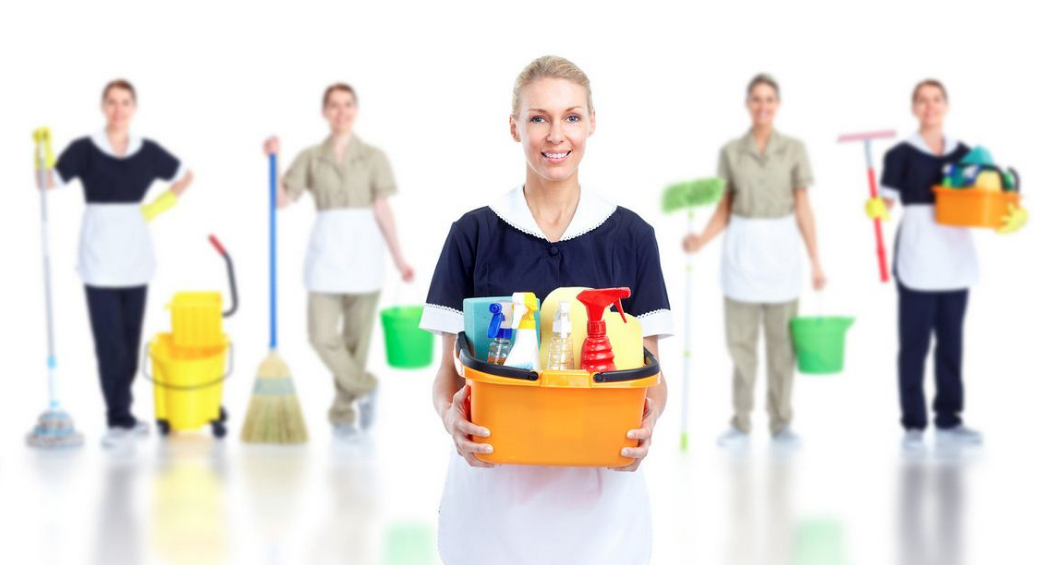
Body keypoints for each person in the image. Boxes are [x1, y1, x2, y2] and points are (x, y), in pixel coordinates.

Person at [419, 56, 673, 564]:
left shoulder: (632, 237)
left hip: (603, 516)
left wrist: (647, 425)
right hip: (492, 509)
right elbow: (448, 373)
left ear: (592, 122)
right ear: (515, 126)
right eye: (539, 118)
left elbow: (651, 377)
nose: (556, 135)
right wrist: (452, 421)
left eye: (571, 117)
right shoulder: (473, 234)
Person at [864, 79, 1019, 451]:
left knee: (951, 343)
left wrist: (1011, 215)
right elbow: (888, 202)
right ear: (913, 108)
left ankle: (949, 419)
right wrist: (877, 207)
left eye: (936, 99)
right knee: (913, 345)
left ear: (946, 106)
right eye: (922, 100)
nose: (930, 106)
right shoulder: (899, 154)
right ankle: (914, 423)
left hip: (954, 257)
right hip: (917, 255)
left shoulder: (966, 153)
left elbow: (988, 195)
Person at [44, 79, 193, 448]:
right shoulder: (84, 149)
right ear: (102, 106)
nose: (118, 109)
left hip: (136, 257)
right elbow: (48, 182)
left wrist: (155, 208)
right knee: (108, 342)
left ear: (134, 108)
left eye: (125, 102)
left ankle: (123, 412)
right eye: (112, 102)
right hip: (98, 258)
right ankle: (117, 419)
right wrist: (41, 153)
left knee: (128, 343)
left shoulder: (147, 151)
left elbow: (185, 175)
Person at [264, 83, 414, 441]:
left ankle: (342, 415)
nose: (341, 111)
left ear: (356, 110)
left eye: (348, 104)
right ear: (324, 112)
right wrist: (275, 160)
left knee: (355, 344)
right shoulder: (310, 157)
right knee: (320, 336)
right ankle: (366, 387)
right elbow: (281, 201)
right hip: (326, 256)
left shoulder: (373, 157)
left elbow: (382, 208)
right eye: (334, 105)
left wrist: (399, 258)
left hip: (365, 255)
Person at [683, 73, 826, 449]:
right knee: (741, 346)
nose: (763, 106)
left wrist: (816, 262)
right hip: (742, 254)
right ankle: (741, 423)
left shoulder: (793, 149)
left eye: (769, 99)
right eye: (756, 99)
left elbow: (803, 207)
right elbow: (724, 208)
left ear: (777, 105)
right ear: (748, 104)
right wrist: (701, 240)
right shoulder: (731, 152)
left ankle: (781, 423)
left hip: (782, 254)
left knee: (783, 348)